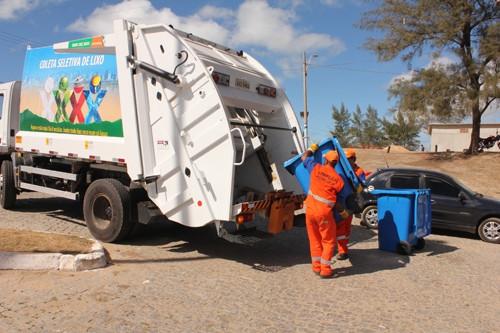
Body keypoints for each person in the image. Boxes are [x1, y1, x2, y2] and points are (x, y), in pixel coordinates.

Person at [301, 144, 349, 279]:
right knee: (328, 241)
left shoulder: (316, 168)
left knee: (314, 240)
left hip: (310, 211)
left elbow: (304, 157)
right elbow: (338, 203)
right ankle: (326, 270)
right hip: (324, 214)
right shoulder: (339, 181)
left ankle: (316, 267)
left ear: (326, 160)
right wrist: (343, 213)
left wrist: (312, 149)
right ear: (336, 163)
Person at [334, 148, 366, 260]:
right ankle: (342, 251)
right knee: (341, 226)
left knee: (347, 227)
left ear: (353, 159)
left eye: (348, 159)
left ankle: (344, 249)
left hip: (351, 202)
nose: (346, 161)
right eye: (344, 159)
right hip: (342, 202)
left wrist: (355, 189)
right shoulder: (341, 169)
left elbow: (362, 186)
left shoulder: (359, 171)